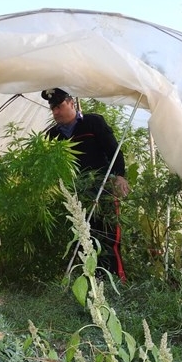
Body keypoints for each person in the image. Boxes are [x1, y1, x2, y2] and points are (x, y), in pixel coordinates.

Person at [41, 87, 130, 282]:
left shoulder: (93, 123)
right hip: (74, 194)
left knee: (108, 236)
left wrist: (119, 176)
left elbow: (113, 150)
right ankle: (88, 280)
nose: (55, 112)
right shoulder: (52, 135)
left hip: (102, 190)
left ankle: (115, 281)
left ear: (71, 103)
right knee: (81, 237)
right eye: (52, 108)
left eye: (59, 106)